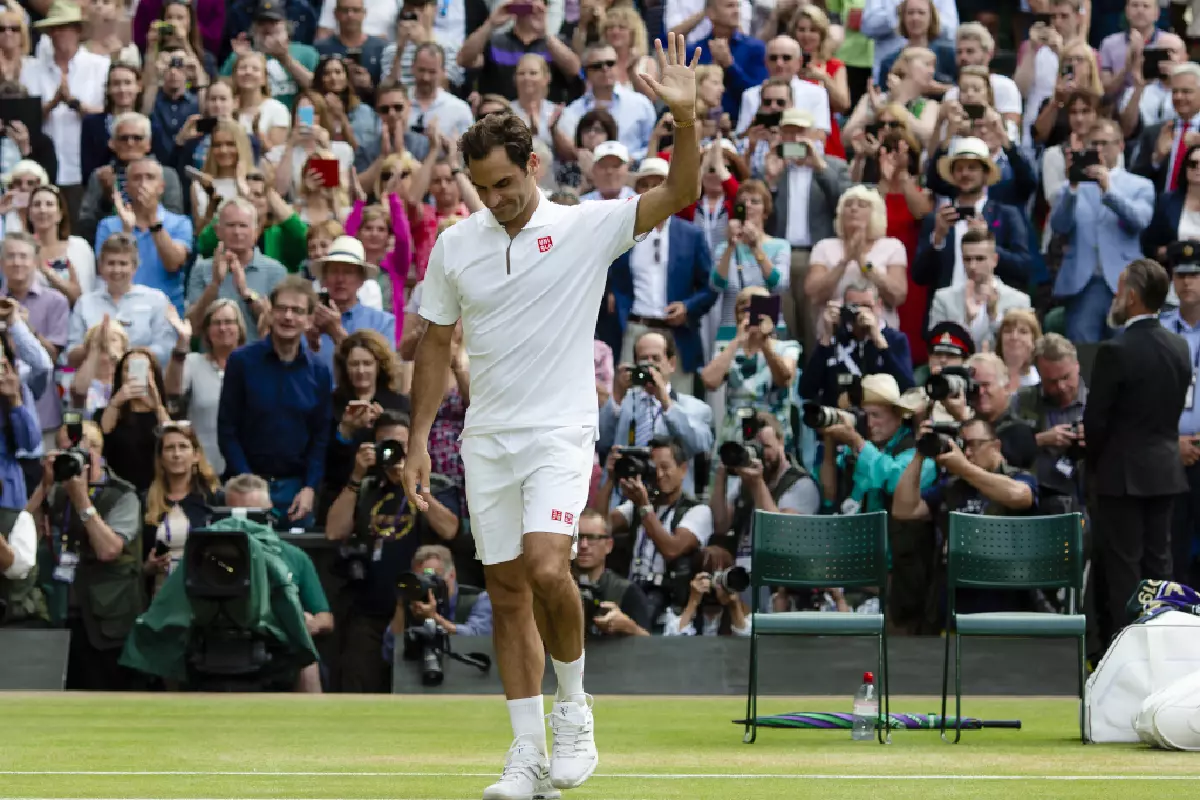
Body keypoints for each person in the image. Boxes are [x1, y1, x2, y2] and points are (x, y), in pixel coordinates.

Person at [403, 34, 702, 799]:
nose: (494, 198)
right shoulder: (455, 245)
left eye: (504, 183)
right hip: (487, 439)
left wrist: (685, 119)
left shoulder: (584, 225)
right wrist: (416, 440)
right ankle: (528, 754)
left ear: (534, 165)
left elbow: (679, 192)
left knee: (545, 568)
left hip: (561, 433)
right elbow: (435, 343)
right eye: (481, 187)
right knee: (505, 593)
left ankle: (573, 709)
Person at [1085, 258, 1192, 659]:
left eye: (1118, 290)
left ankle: (1126, 660)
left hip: (1122, 476)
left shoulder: (1115, 351)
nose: (1115, 297)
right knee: (1160, 570)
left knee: (1124, 573)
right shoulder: (1179, 347)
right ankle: (1163, 656)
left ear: (1131, 297)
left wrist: (1095, 466)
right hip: (1165, 471)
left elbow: (1096, 423)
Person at [217, 276, 333, 524]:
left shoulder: (320, 371)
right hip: (245, 485)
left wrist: (310, 487)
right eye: (282, 308)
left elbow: (321, 437)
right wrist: (247, 484)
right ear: (270, 312)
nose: (288, 317)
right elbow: (227, 429)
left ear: (309, 319)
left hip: (296, 491)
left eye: (297, 311)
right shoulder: (241, 362)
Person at [573, 508, 653, 637]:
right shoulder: (555, 588)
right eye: (578, 537)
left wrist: (629, 627)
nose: (584, 545)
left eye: (592, 538)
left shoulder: (626, 591)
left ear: (608, 545)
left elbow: (650, 644)